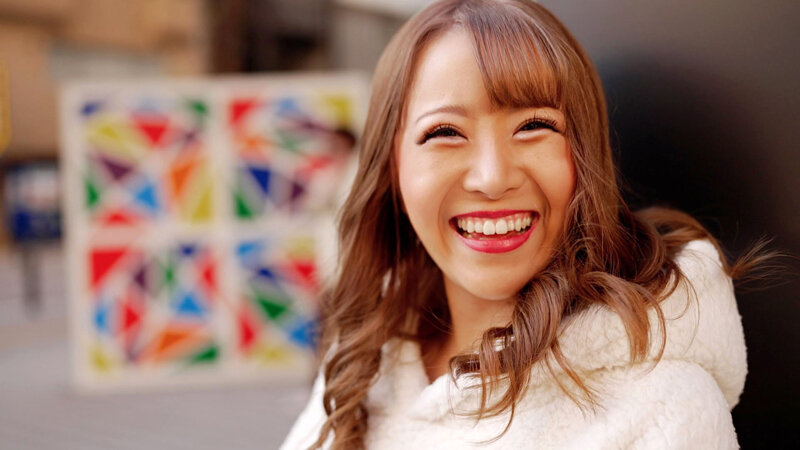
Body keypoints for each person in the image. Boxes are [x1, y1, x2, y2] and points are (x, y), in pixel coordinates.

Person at [281, 0, 764, 448]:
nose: (492, 178)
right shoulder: (367, 365)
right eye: (445, 132)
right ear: (393, 170)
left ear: (586, 155)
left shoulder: (661, 404)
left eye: (534, 126)